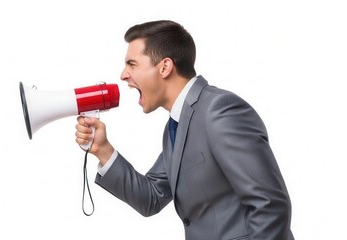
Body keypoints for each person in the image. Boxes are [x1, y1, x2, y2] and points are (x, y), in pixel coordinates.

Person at [75, 20, 294, 240]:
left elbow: (270, 206)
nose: (123, 75)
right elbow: (152, 196)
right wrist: (103, 149)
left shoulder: (219, 110)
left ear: (164, 67)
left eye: (132, 64)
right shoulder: (176, 126)